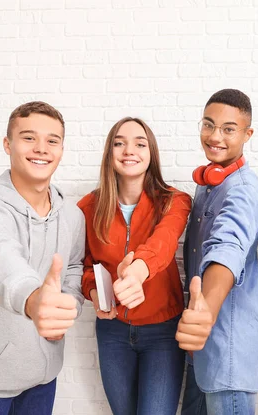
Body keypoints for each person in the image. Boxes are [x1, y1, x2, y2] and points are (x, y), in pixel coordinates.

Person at [0, 101, 85, 415]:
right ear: (7, 144)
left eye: (52, 140)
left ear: (62, 149)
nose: (41, 148)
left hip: (42, 377)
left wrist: (67, 305)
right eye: (28, 138)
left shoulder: (72, 215)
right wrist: (33, 299)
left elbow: (74, 267)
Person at [78, 117, 191, 415]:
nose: (129, 150)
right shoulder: (87, 208)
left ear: (151, 152)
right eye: (119, 142)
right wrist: (93, 294)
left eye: (140, 143)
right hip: (113, 331)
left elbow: (164, 243)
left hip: (163, 332)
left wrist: (139, 270)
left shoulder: (175, 201)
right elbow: (85, 265)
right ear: (109, 152)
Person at [176, 89, 258, 415]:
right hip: (203, 346)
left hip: (229, 348)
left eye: (229, 129)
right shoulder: (208, 184)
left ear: (247, 134)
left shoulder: (242, 190)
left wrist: (205, 311)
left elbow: (227, 248)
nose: (215, 136)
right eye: (208, 125)